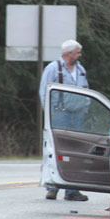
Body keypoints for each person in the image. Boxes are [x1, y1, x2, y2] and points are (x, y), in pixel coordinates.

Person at [39, 39, 89, 202]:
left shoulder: (81, 70)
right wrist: (50, 116)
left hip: (77, 117)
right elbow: (44, 92)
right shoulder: (53, 69)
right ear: (68, 54)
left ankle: (72, 191)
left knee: (74, 153)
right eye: (77, 52)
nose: (79, 55)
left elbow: (86, 91)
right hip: (59, 116)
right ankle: (52, 187)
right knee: (55, 151)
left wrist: (86, 108)